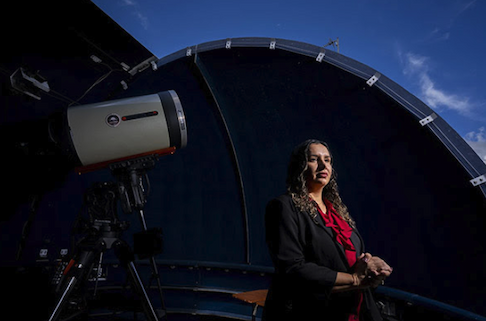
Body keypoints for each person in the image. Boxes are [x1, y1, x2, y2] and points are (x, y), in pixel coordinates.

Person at [263, 139, 393, 321]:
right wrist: (355, 279)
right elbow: (292, 268)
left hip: (356, 309)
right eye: (314, 159)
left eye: (328, 160)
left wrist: (370, 264)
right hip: (312, 312)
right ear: (300, 165)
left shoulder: (338, 212)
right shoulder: (283, 207)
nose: (323, 165)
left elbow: (348, 256)